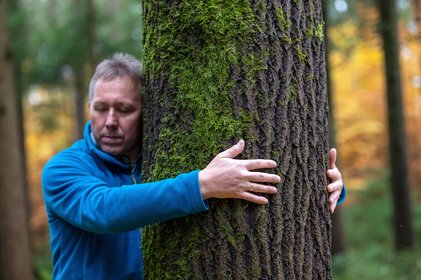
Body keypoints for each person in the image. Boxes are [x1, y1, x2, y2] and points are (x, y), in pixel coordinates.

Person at [42, 53, 345, 279]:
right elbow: (104, 209)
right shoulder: (64, 169)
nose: (110, 121)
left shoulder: (164, 158)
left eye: (124, 110)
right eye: (101, 108)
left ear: (146, 112)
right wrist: (202, 185)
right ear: (89, 107)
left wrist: (326, 187)